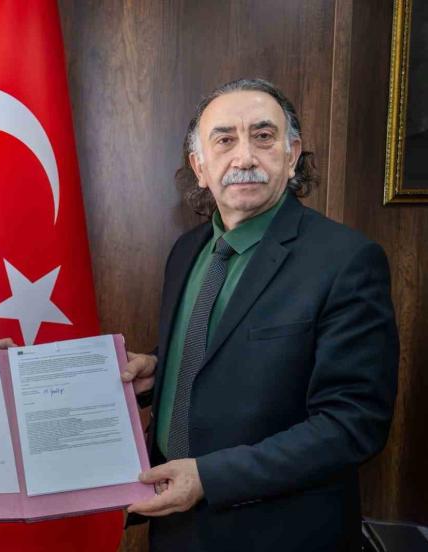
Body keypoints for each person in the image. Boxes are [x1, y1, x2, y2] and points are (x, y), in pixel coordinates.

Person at [121, 79, 399, 551]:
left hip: (281, 534)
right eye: (225, 140)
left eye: (264, 136)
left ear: (292, 156)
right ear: (200, 167)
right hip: (174, 529)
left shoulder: (347, 260)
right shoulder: (186, 252)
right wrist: (159, 368)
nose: (244, 157)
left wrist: (210, 478)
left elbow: (354, 423)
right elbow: (224, 348)